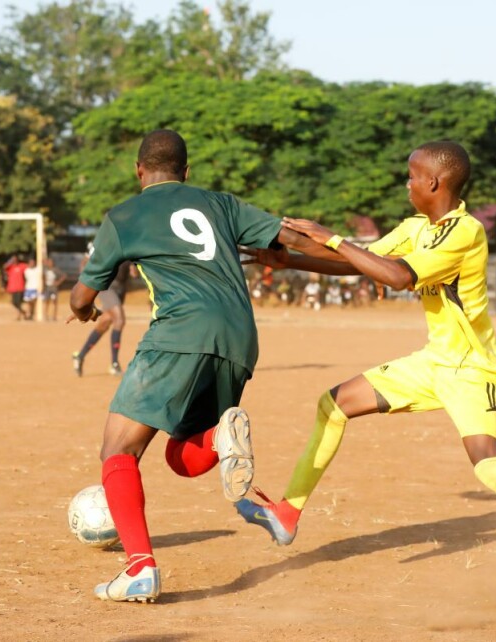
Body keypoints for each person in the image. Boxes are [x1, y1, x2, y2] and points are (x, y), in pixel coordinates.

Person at [237, 140, 496, 605]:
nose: (406, 183)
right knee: (334, 403)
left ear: (434, 182)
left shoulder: (465, 232)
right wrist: (290, 257)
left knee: (489, 465)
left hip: (470, 369)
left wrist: (329, 236)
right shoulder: (415, 227)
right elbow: (359, 264)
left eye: (411, 175)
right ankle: (287, 513)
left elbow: (398, 277)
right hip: (431, 362)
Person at [67, 128, 327, 603]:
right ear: (187, 172)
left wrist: (84, 311)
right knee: (183, 456)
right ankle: (217, 435)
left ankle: (140, 568)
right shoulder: (222, 204)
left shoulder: (125, 215)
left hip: (179, 333)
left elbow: (83, 294)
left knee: (117, 450)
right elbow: (292, 239)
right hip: (240, 337)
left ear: (138, 170)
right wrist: (361, 256)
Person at [72, 259, 134, 376]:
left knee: (105, 323)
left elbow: (134, 273)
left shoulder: (133, 244)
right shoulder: (106, 242)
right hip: (107, 287)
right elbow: (85, 261)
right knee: (120, 320)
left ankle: (80, 356)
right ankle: (114, 363)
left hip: (120, 289)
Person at [3, 255, 27, 320]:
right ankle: (23, 312)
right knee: (13, 302)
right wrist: (10, 262)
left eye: (15, 259)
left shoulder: (22, 266)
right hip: (12, 287)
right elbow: (4, 267)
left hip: (20, 287)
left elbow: (28, 267)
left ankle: (19, 315)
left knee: (18, 302)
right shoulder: (11, 267)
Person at [43, 257, 66, 322]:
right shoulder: (46, 269)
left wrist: (58, 282)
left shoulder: (55, 269)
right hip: (47, 287)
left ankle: (54, 316)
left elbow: (64, 275)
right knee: (47, 301)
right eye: (48, 262)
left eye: (51, 262)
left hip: (53, 288)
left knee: (54, 301)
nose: (49, 263)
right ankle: (46, 315)